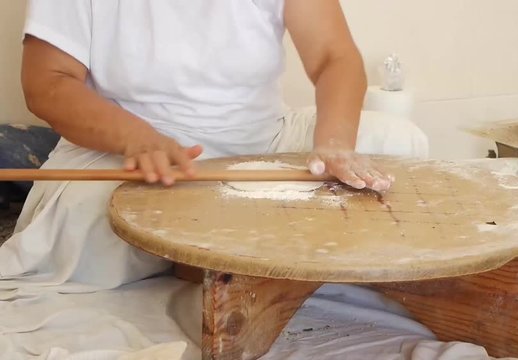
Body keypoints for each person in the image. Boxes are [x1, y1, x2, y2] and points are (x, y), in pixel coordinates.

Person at [0, 0, 431, 358]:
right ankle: (229, 254)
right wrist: (138, 140)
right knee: (90, 215)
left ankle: (218, 252)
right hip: (123, 149)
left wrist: (334, 143)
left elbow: (334, 58)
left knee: (397, 141)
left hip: (263, 141)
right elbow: (47, 83)